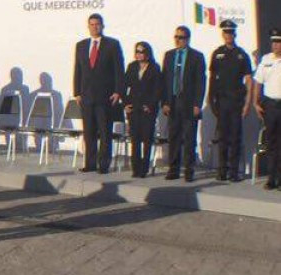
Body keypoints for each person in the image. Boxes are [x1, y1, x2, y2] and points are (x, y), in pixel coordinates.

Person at [73, 13, 125, 174]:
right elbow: (78, 70)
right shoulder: (81, 45)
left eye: (97, 24)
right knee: (89, 132)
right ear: (88, 26)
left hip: (105, 96)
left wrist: (118, 91)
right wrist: (77, 92)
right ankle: (90, 163)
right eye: (92, 24)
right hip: (86, 96)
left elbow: (119, 70)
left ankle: (103, 164)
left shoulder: (112, 44)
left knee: (104, 132)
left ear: (102, 26)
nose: (95, 27)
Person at [208, 20, 254, 181]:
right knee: (223, 137)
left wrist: (247, 104)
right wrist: (210, 98)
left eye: (231, 33)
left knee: (235, 137)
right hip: (222, 101)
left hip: (236, 102)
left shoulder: (241, 54)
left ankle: (234, 171)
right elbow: (212, 78)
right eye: (226, 33)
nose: (229, 35)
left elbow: (248, 79)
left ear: (235, 34)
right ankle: (222, 170)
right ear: (223, 35)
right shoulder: (217, 53)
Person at [161, 25, 207, 182]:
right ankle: (173, 169)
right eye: (176, 37)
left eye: (180, 37)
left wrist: (197, 104)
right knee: (173, 136)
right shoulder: (169, 55)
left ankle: (189, 170)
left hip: (188, 102)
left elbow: (201, 82)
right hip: (173, 101)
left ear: (187, 39)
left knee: (189, 137)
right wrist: (165, 102)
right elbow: (165, 79)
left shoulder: (196, 56)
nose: (177, 40)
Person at [123, 41, 163, 178]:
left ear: (148, 53)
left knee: (146, 139)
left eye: (142, 52)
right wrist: (125, 104)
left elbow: (158, 89)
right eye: (137, 52)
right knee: (135, 139)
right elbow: (124, 86)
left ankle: (144, 168)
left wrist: (151, 105)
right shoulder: (132, 67)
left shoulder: (154, 68)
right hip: (134, 108)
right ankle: (136, 167)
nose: (139, 55)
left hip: (147, 109)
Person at [254, 28, 281, 190]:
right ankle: (272, 178)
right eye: (273, 42)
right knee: (271, 142)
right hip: (270, 106)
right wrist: (256, 103)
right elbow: (258, 81)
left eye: (278, 42)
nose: (275, 45)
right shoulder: (266, 59)